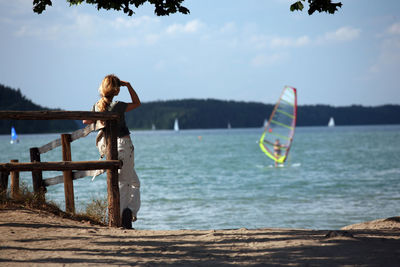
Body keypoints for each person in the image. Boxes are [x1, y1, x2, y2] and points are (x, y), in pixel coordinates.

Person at [83, 74, 141, 229]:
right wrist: (128, 85)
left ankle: (125, 213)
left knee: (131, 182)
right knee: (126, 183)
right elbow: (137, 103)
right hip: (123, 144)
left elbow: (85, 121)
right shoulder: (118, 105)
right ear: (116, 89)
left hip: (110, 147)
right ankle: (124, 216)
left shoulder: (97, 105)